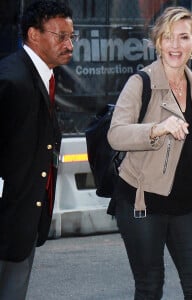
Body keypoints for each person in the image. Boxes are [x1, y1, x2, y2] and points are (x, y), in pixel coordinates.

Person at [107, 6, 192, 300]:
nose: (175, 45)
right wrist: (157, 128)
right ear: (158, 41)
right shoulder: (140, 83)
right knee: (149, 288)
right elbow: (115, 134)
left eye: (183, 37)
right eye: (168, 37)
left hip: (188, 203)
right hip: (143, 203)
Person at [0, 1, 76, 299]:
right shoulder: (11, 79)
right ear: (34, 35)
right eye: (61, 36)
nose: (69, 44)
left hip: (22, 220)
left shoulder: (40, 75)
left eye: (72, 36)